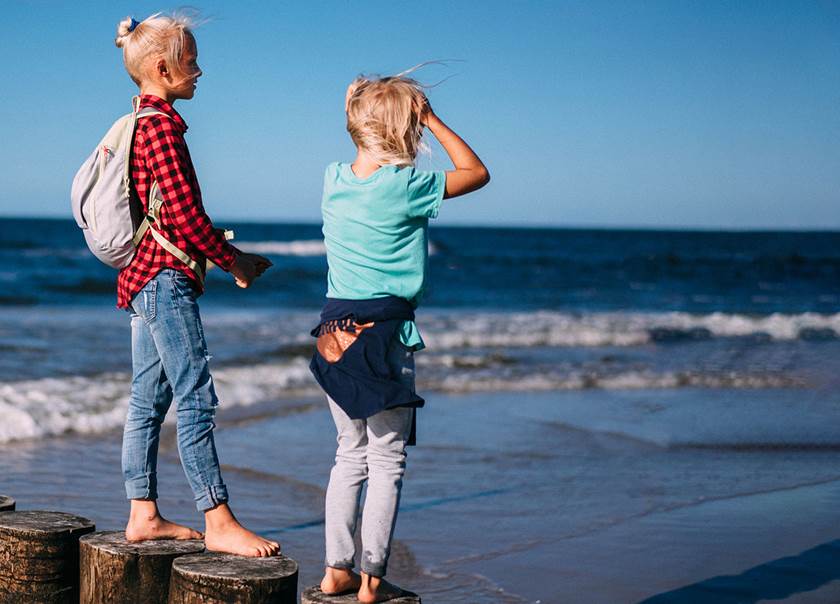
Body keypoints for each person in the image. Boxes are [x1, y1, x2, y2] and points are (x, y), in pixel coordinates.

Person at [311, 71, 490, 601]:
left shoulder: (333, 178)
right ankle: (370, 580)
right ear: (405, 130)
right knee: (387, 459)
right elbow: (476, 172)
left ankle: (334, 569)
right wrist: (432, 119)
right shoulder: (409, 187)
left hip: (333, 333)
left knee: (349, 453)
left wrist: (362, 104)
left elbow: (356, 132)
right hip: (385, 331)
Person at [114, 13, 279, 557]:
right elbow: (183, 216)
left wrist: (229, 257)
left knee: (148, 398)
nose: (200, 71)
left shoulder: (143, 122)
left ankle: (142, 514)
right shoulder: (161, 127)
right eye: (192, 60)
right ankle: (218, 518)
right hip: (164, 278)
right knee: (196, 397)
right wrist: (234, 261)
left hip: (143, 277)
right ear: (163, 68)